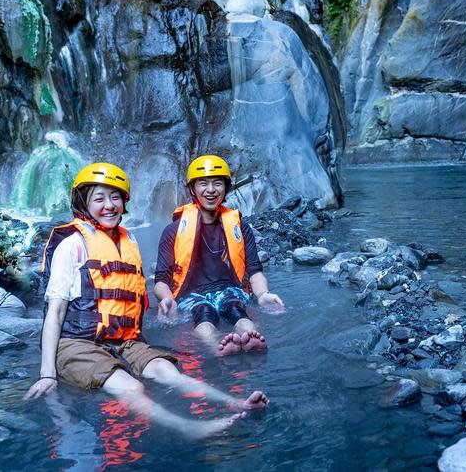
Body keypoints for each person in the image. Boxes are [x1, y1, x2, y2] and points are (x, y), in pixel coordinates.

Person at [23, 162, 268, 439]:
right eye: (99, 199)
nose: (109, 205)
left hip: (124, 341)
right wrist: (47, 373)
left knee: (168, 371)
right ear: (84, 202)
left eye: (115, 197)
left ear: (124, 201)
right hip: (77, 342)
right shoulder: (73, 245)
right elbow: (54, 312)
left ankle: (236, 403)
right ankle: (189, 428)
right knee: (132, 387)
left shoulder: (130, 242)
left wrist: (165, 306)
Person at [154, 155, 284, 356]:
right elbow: (161, 280)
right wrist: (167, 299)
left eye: (217, 183)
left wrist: (263, 295)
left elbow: (255, 272)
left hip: (230, 290)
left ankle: (251, 336)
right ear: (192, 189)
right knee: (203, 314)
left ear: (226, 188)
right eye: (203, 184)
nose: (211, 190)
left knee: (236, 310)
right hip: (193, 297)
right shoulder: (173, 231)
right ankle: (217, 344)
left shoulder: (240, 228)